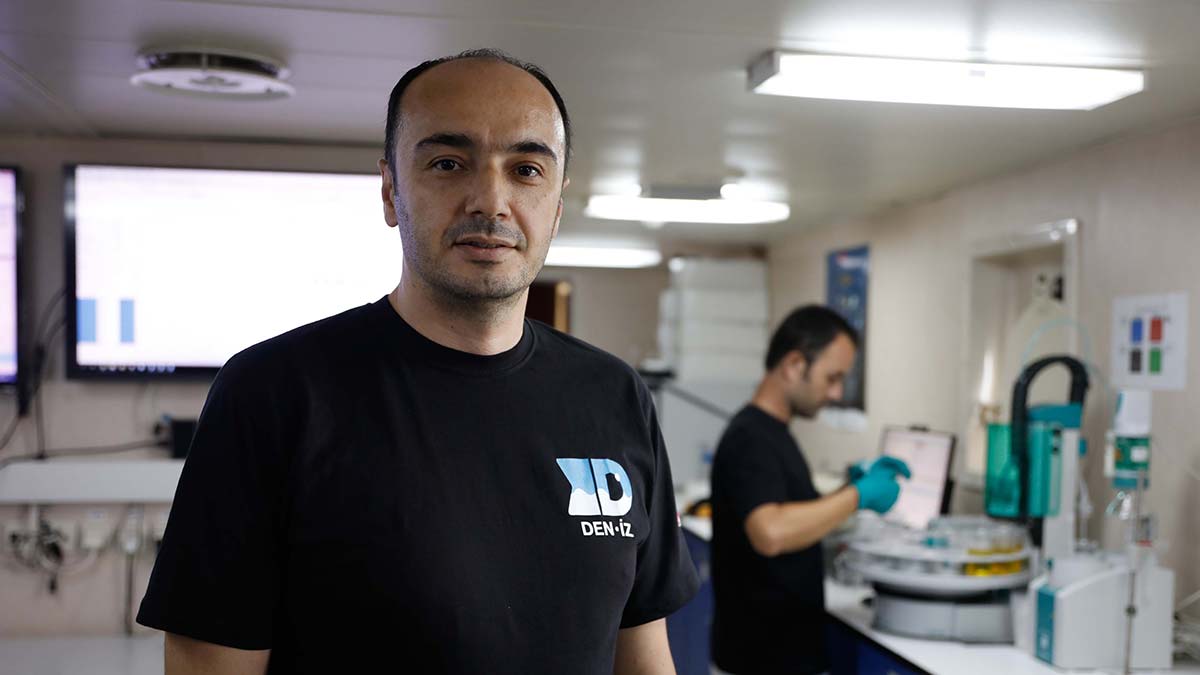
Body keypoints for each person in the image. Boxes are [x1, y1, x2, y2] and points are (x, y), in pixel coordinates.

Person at [137, 49, 699, 675]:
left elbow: (643, 655)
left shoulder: (614, 396)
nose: (490, 200)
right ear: (390, 191)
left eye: (526, 170)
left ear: (558, 205)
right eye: (448, 163)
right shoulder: (273, 394)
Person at [709, 305, 909, 675]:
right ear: (794, 365)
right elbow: (771, 531)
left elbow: (793, 514)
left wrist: (850, 487)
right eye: (832, 378)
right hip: (761, 662)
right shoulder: (750, 438)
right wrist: (857, 495)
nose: (836, 393)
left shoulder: (774, 434)